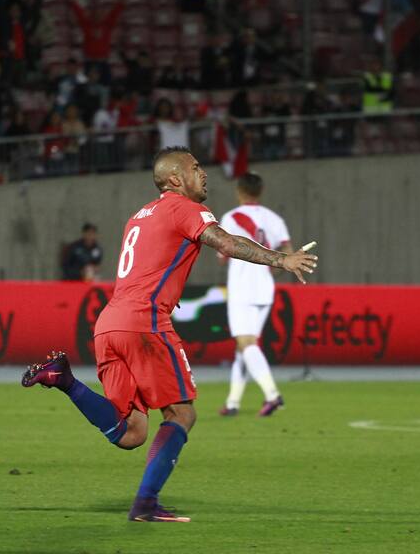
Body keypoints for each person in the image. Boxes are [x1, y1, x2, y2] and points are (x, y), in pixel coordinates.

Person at [22, 147, 318, 522]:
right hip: (145, 322)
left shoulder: (139, 216)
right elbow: (225, 242)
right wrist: (281, 259)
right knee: (181, 413)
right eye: (196, 168)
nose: (204, 174)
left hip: (110, 323)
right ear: (176, 179)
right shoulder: (185, 208)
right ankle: (145, 504)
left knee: (129, 431)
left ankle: (64, 381)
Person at [218, 173, 293, 417]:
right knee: (244, 347)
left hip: (242, 286)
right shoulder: (274, 218)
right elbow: (288, 252)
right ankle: (233, 402)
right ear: (261, 191)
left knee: (246, 343)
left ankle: (272, 395)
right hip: (264, 288)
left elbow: (222, 257)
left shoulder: (230, 218)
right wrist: (274, 267)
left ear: (239, 191)